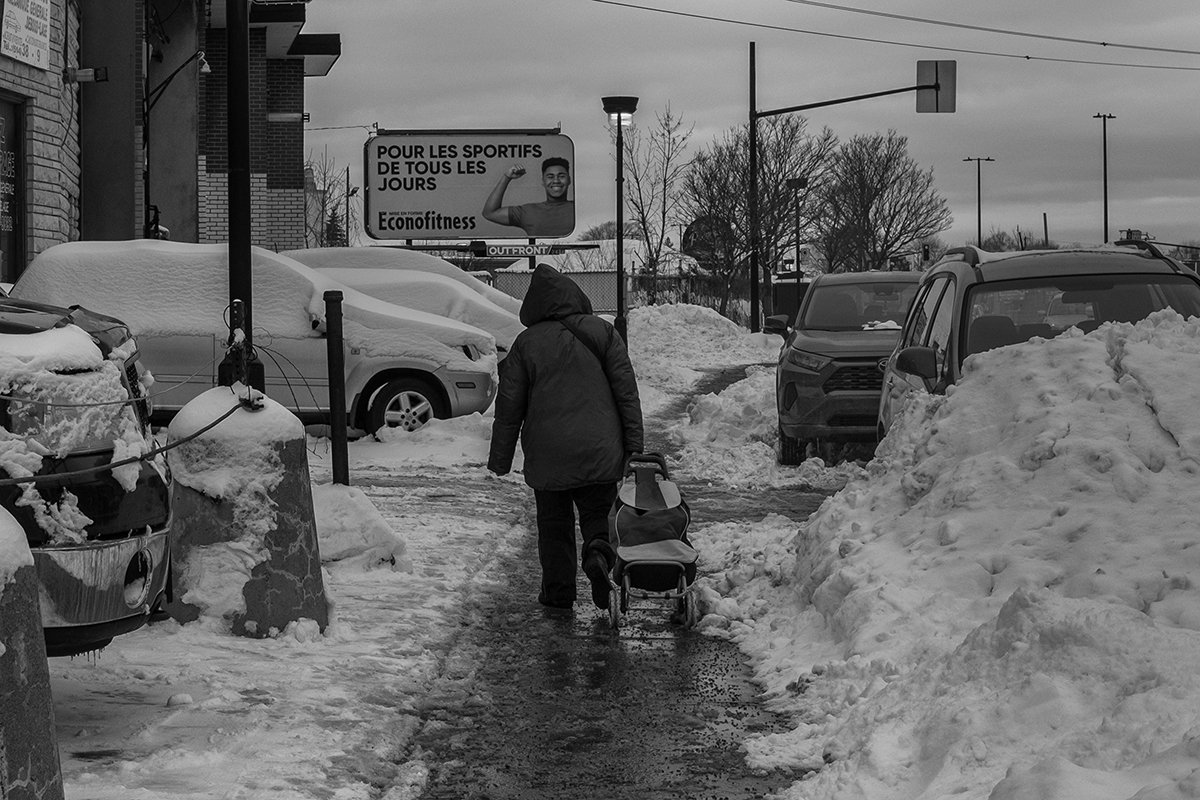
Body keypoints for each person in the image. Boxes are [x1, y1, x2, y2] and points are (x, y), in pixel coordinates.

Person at [488, 264, 643, 610]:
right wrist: (634, 445)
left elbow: (509, 407)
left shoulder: (526, 343)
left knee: (554, 525)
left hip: (548, 454)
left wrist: (500, 459)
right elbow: (626, 393)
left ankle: (558, 594)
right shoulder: (602, 332)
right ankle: (599, 554)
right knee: (597, 515)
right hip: (599, 449)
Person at [481, 157, 574, 238]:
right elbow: (490, 213)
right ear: (543, 181)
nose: (556, 180)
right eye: (550, 177)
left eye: (561, 176)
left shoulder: (577, 209)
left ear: (569, 180)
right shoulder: (529, 211)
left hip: (580, 258)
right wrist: (507, 177)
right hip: (539, 259)